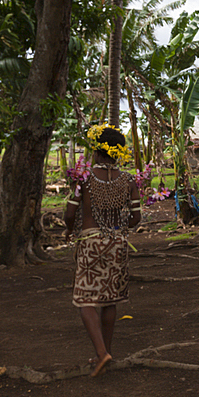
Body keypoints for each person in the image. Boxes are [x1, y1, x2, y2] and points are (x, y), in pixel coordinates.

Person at [63, 125, 141, 377]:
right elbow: (135, 218)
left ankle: (102, 353)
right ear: (118, 154)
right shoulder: (129, 181)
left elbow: (70, 214)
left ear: (96, 152)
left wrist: (70, 229)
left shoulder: (83, 179)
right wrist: (116, 227)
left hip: (91, 243)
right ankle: (104, 353)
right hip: (117, 244)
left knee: (86, 300)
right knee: (111, 300)